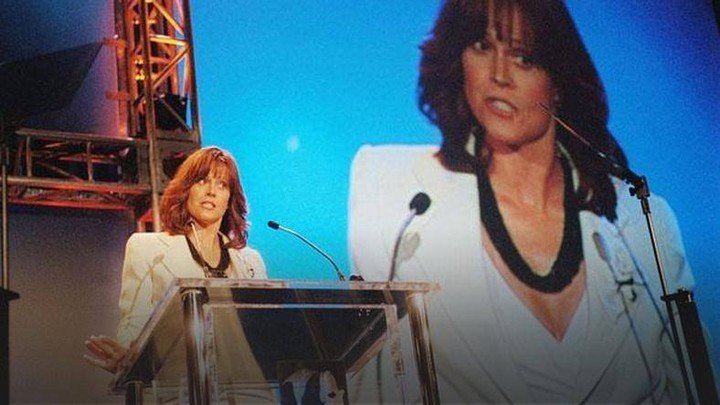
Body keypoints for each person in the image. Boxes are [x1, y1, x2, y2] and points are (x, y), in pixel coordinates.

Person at [349, 0, 694, 402]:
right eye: (482, 46)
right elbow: (369, 386)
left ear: (559, 81)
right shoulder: (391, 192)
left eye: (524, 58)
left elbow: (691, 386)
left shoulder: (643, 222)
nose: (499, 75)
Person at [84, 146, 267, 373]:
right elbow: (135, 323)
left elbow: (263, 332)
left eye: (222, 185)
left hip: (248, 386)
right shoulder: (147, 249)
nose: (211, 191)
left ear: (230, 198)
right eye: (202, 181)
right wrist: (128, 356)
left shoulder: (251, 261)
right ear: (186, 190)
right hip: (181, 383)